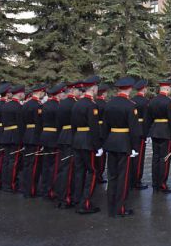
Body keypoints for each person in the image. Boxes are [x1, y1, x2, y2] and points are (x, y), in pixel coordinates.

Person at [102, 76, 141, 217]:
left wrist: (104, 143)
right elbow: (134, 130)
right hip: (124, 143)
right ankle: (120, 208)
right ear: (129, 89)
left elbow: (104, 127)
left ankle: (111, 206)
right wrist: (135, 148)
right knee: (123, 177)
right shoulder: (130, 105)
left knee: (112, 175)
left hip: (111, 141)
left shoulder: (109, 104)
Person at [71, 76, 102, 214]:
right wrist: (98, 146)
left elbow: (73, 125)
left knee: (79, 171)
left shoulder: (77, 103)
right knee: (93, 171)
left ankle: (77, 198)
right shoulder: (92, 105)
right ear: (94, 88)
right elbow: (94, 128)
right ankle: (85, 203)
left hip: (77, 139)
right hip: (88, 141)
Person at [145, 80, 171, 193]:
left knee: (156, 158)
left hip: (155, 131)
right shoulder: (169, 102)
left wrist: (148, 133)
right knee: (165, 158)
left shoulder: (152, 101)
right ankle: (162, 184)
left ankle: (155, 183)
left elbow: (148, 119)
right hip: (166, 132)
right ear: (167, 89)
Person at [55, 82, 82, 209]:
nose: (80, 92)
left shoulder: (62, 103)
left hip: (63, 136)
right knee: (70, 169)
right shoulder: (75, 104)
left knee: (64, 167)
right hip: (71, 136)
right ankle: (67, 198)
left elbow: (59, 123)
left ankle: (61, 195)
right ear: (73, 90)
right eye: (78, 90)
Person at [38, 83, 65, 200]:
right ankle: (52, 190)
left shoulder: (43, 105)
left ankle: (44, 188)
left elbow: (39, 123)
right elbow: (60, 124)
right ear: (59, 94)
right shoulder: (58, 106)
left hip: (44, 136)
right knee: (54, 165)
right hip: (54, 136)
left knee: (46, 164)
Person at [20, 84, 46, 198]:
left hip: (27, 135)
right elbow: (39, 124)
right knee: (35, 165)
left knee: (27, 164)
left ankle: (26, 188)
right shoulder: (38, 105)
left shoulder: (26, 105)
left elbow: (22, 123)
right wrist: (40, 139)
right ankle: (31, 189)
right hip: (35, 136)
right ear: (40, 92)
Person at [0, 85, 25, 193]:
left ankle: (5, 183)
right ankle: (12, 184)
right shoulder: (18, 107)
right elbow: (21, 124)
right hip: (15, 135)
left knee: (6, 161)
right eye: (23, 93)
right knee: (13, 162)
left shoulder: (5, 106)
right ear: (19, 93)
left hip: (6, 134)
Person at [130, 79, 149, 190]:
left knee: (132, 156)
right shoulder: (145, 102)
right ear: (144, 89)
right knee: (139, 157)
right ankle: (137, 180)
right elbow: (146, 120)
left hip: (132, 131)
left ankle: (131, 177)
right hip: (141, 131)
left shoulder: (132, 100)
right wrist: (146, 134)